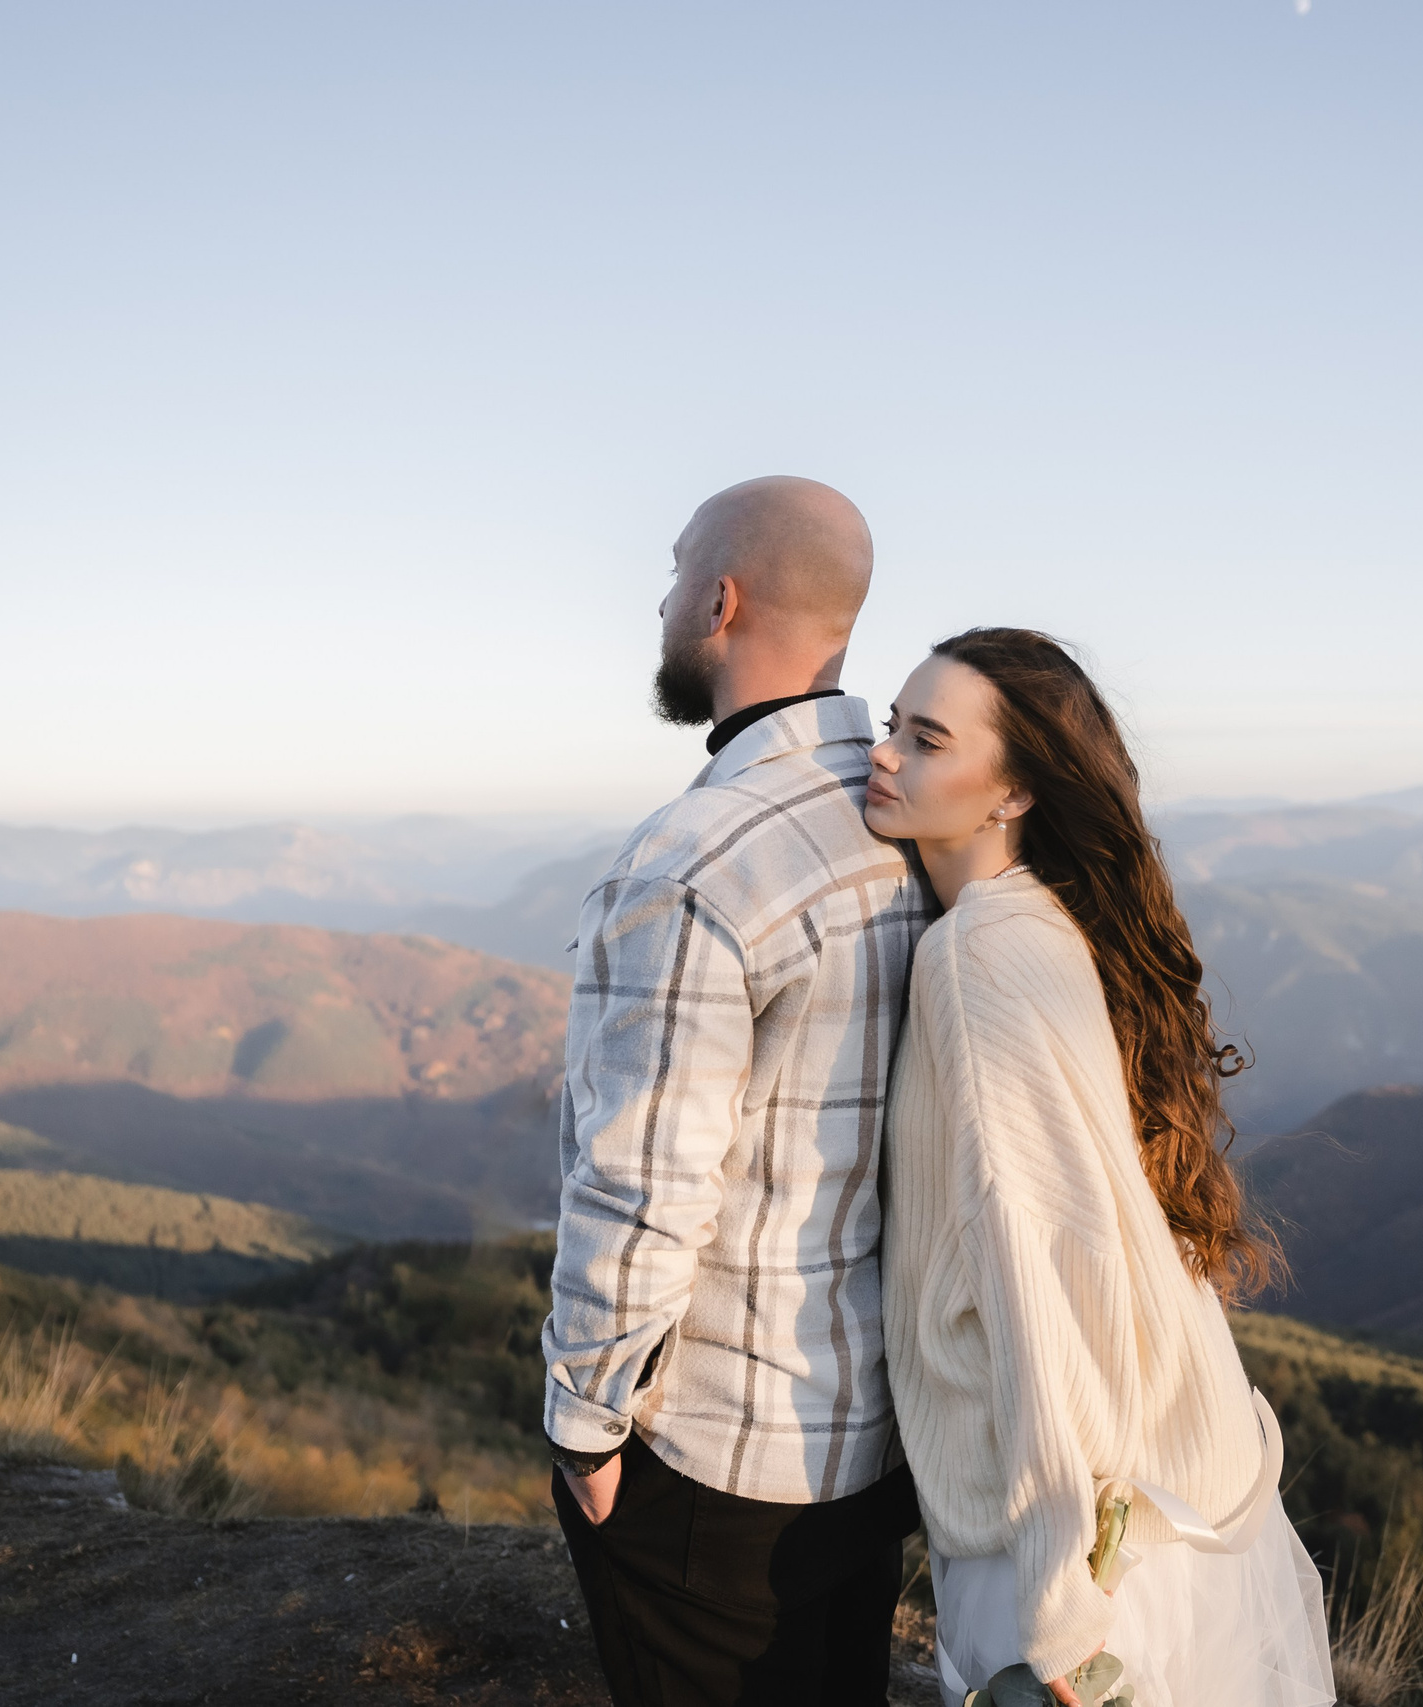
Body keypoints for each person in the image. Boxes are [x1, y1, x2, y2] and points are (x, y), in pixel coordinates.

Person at [867, 628, 1336, 1707]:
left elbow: (1027, 1263)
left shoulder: (971, 956)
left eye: (927, 738)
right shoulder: (1047, 924)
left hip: (1088, 1534)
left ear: (1012, 791)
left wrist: (1055, 1592)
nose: (883, 754)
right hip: (1166, 1490)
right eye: (890, 725)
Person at [542, 476, 931, 1707]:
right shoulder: (919, 821)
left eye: (672, 575)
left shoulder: (697, 859)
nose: (662, 600)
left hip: (716, 1460)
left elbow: (642, 1185)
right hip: (874, 1437)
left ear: (719, 601)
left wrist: (584, 1423)